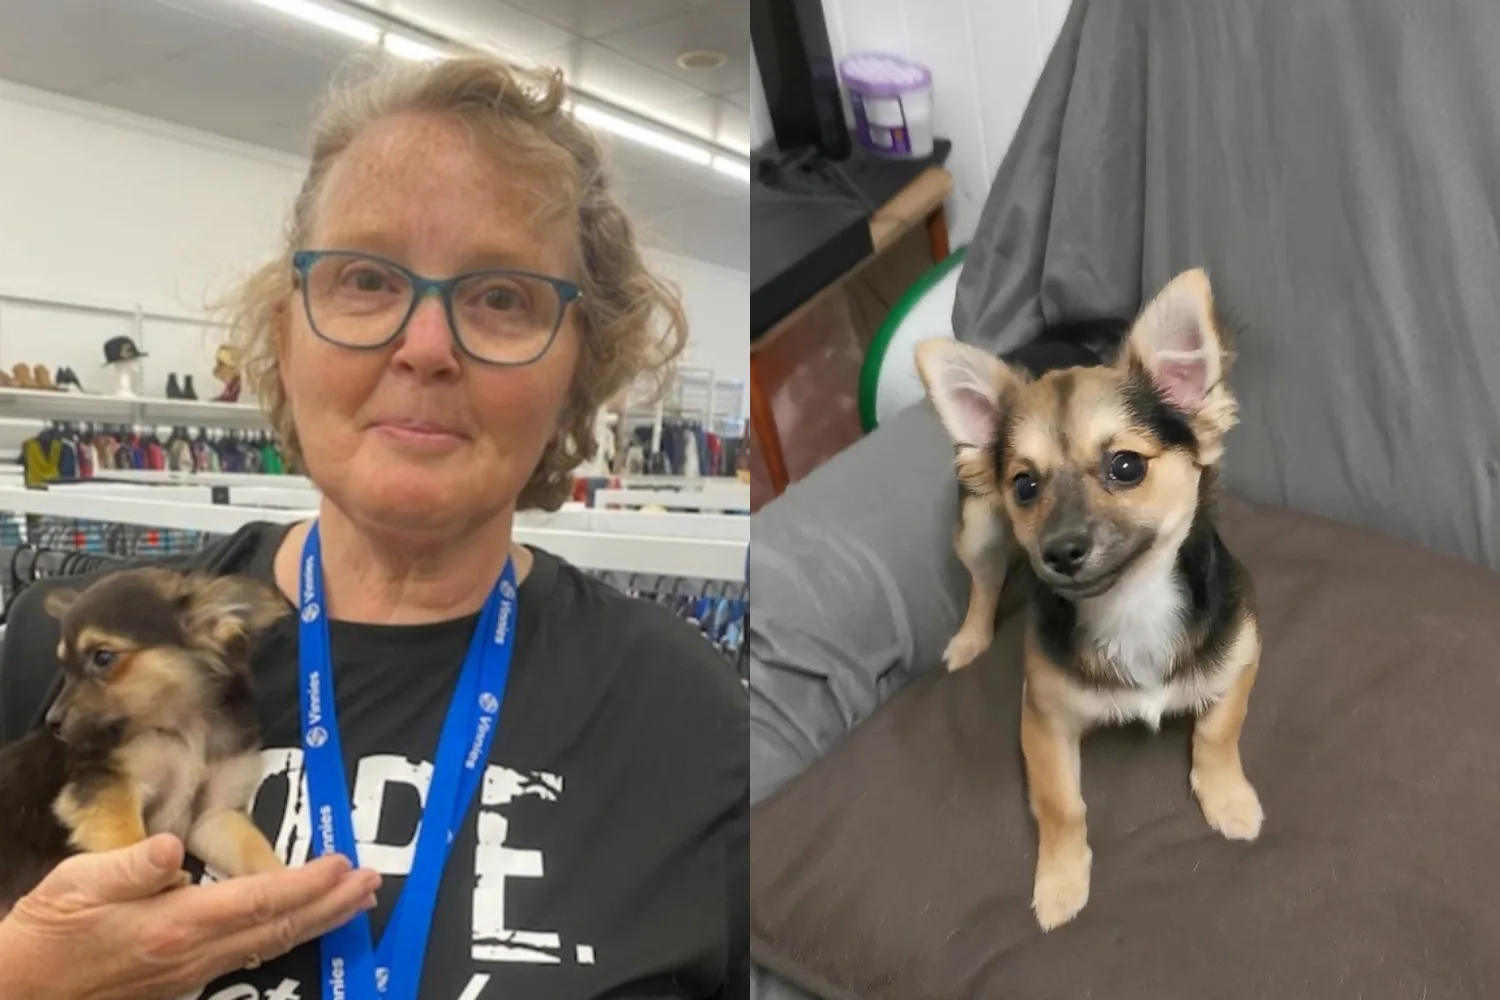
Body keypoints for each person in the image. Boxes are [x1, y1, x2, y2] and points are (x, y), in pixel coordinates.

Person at [0, 53, 748, 1000]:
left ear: (578, 372)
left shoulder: (692, 721)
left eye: (502, 296)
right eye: (365, 279)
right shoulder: (61, 653)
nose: (425, 347)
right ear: (285, 336)